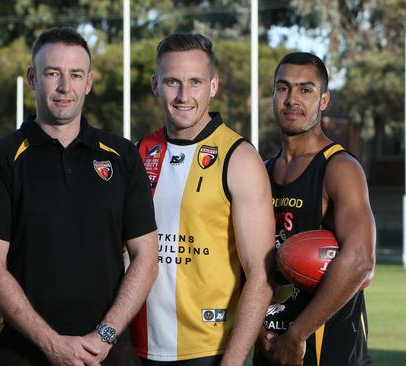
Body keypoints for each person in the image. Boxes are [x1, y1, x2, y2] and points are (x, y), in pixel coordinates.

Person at [0, 27, 158, 366]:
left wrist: (104, 336)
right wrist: (52, 344)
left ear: (89, 82)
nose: (65, 87)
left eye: (75, 74)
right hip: (21, 353)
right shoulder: (0, 157)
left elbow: (146, 259)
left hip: (107, 353)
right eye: (53, 74)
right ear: (33, 78)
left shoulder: (121, 156)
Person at [130, 32, 275, 366]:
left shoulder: (238, 158)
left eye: (195, 82)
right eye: (172, 82)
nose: (183, 95)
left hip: (209, 352)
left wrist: (234, 361)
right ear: (155, 85)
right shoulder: (138, 153)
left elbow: (261, 275)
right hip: (136, 345)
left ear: (213, 86)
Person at [253, 52, 376, 366]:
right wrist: (257, 329)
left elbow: (361, 258)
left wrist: (297, 336)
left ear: (323, 100)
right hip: (271, 347)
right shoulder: (260, 172)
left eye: (305, 90)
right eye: (283, 88)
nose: (292, 99)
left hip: (330, 350)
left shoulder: (340, 168)